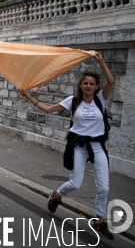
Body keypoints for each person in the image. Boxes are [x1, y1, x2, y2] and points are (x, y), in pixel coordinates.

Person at [20, 51, 115, 239]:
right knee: (75, 182)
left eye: (92, 84)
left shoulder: (101, 99)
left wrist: (101, 61)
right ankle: (57, 195)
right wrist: (28, 96)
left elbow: (110, 81)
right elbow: (48, 109)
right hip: (78, 146)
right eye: (85, 83)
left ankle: (99, 219)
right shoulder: (73, 101)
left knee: (103, 187)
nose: (88, 86)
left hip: (97, 146)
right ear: (81, 85)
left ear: (96, 87)